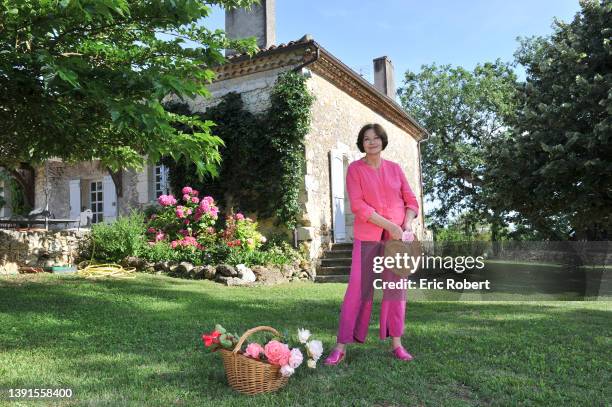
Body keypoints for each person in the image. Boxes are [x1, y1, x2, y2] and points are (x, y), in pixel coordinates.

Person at [324, 123, 419, 365]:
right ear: (362, 143)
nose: (372, 142)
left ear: (382, 141)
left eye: (376, 138)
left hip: (397, 239)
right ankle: (341, 346)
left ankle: (397, 344)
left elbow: (411, 201)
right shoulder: (355, 170)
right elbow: (358, 206)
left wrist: (406, 224)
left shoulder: (395, 169)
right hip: (368, 236)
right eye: (367, 139)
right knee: (357, 289)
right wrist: (390, 225)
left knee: (397, 291)